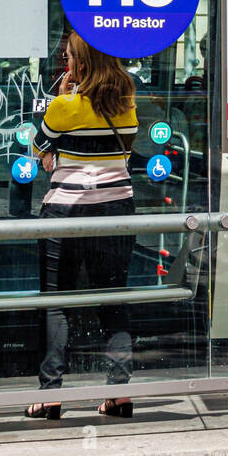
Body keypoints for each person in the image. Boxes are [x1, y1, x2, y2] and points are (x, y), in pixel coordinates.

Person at [23, 32, 139, 420]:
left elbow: (40, 152)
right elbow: (124, 153)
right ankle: (119, 394)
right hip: (117, 211)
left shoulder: (62, 107)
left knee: (57, 302)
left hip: (66, 213)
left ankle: (51, 395)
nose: (65, 62)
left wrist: (67, 95)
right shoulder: (126, 102)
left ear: (82, 64)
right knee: (114, 300)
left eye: (69, 58)